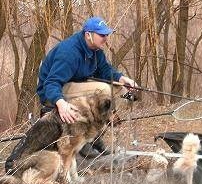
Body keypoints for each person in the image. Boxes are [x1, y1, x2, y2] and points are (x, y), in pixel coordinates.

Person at [37, 16, 137, 157]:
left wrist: (122, 78)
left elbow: (105, 70)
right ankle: (83, 139)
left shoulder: (96, 50)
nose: (105, 38)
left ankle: (93, 134)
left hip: (76, 85)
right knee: (103, 90)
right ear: (88, 35)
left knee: (121, 89)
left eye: (107, 34)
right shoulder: (69, 52)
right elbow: (51, 83)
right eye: (102, 35)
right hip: (53, 92)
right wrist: (60, 103)